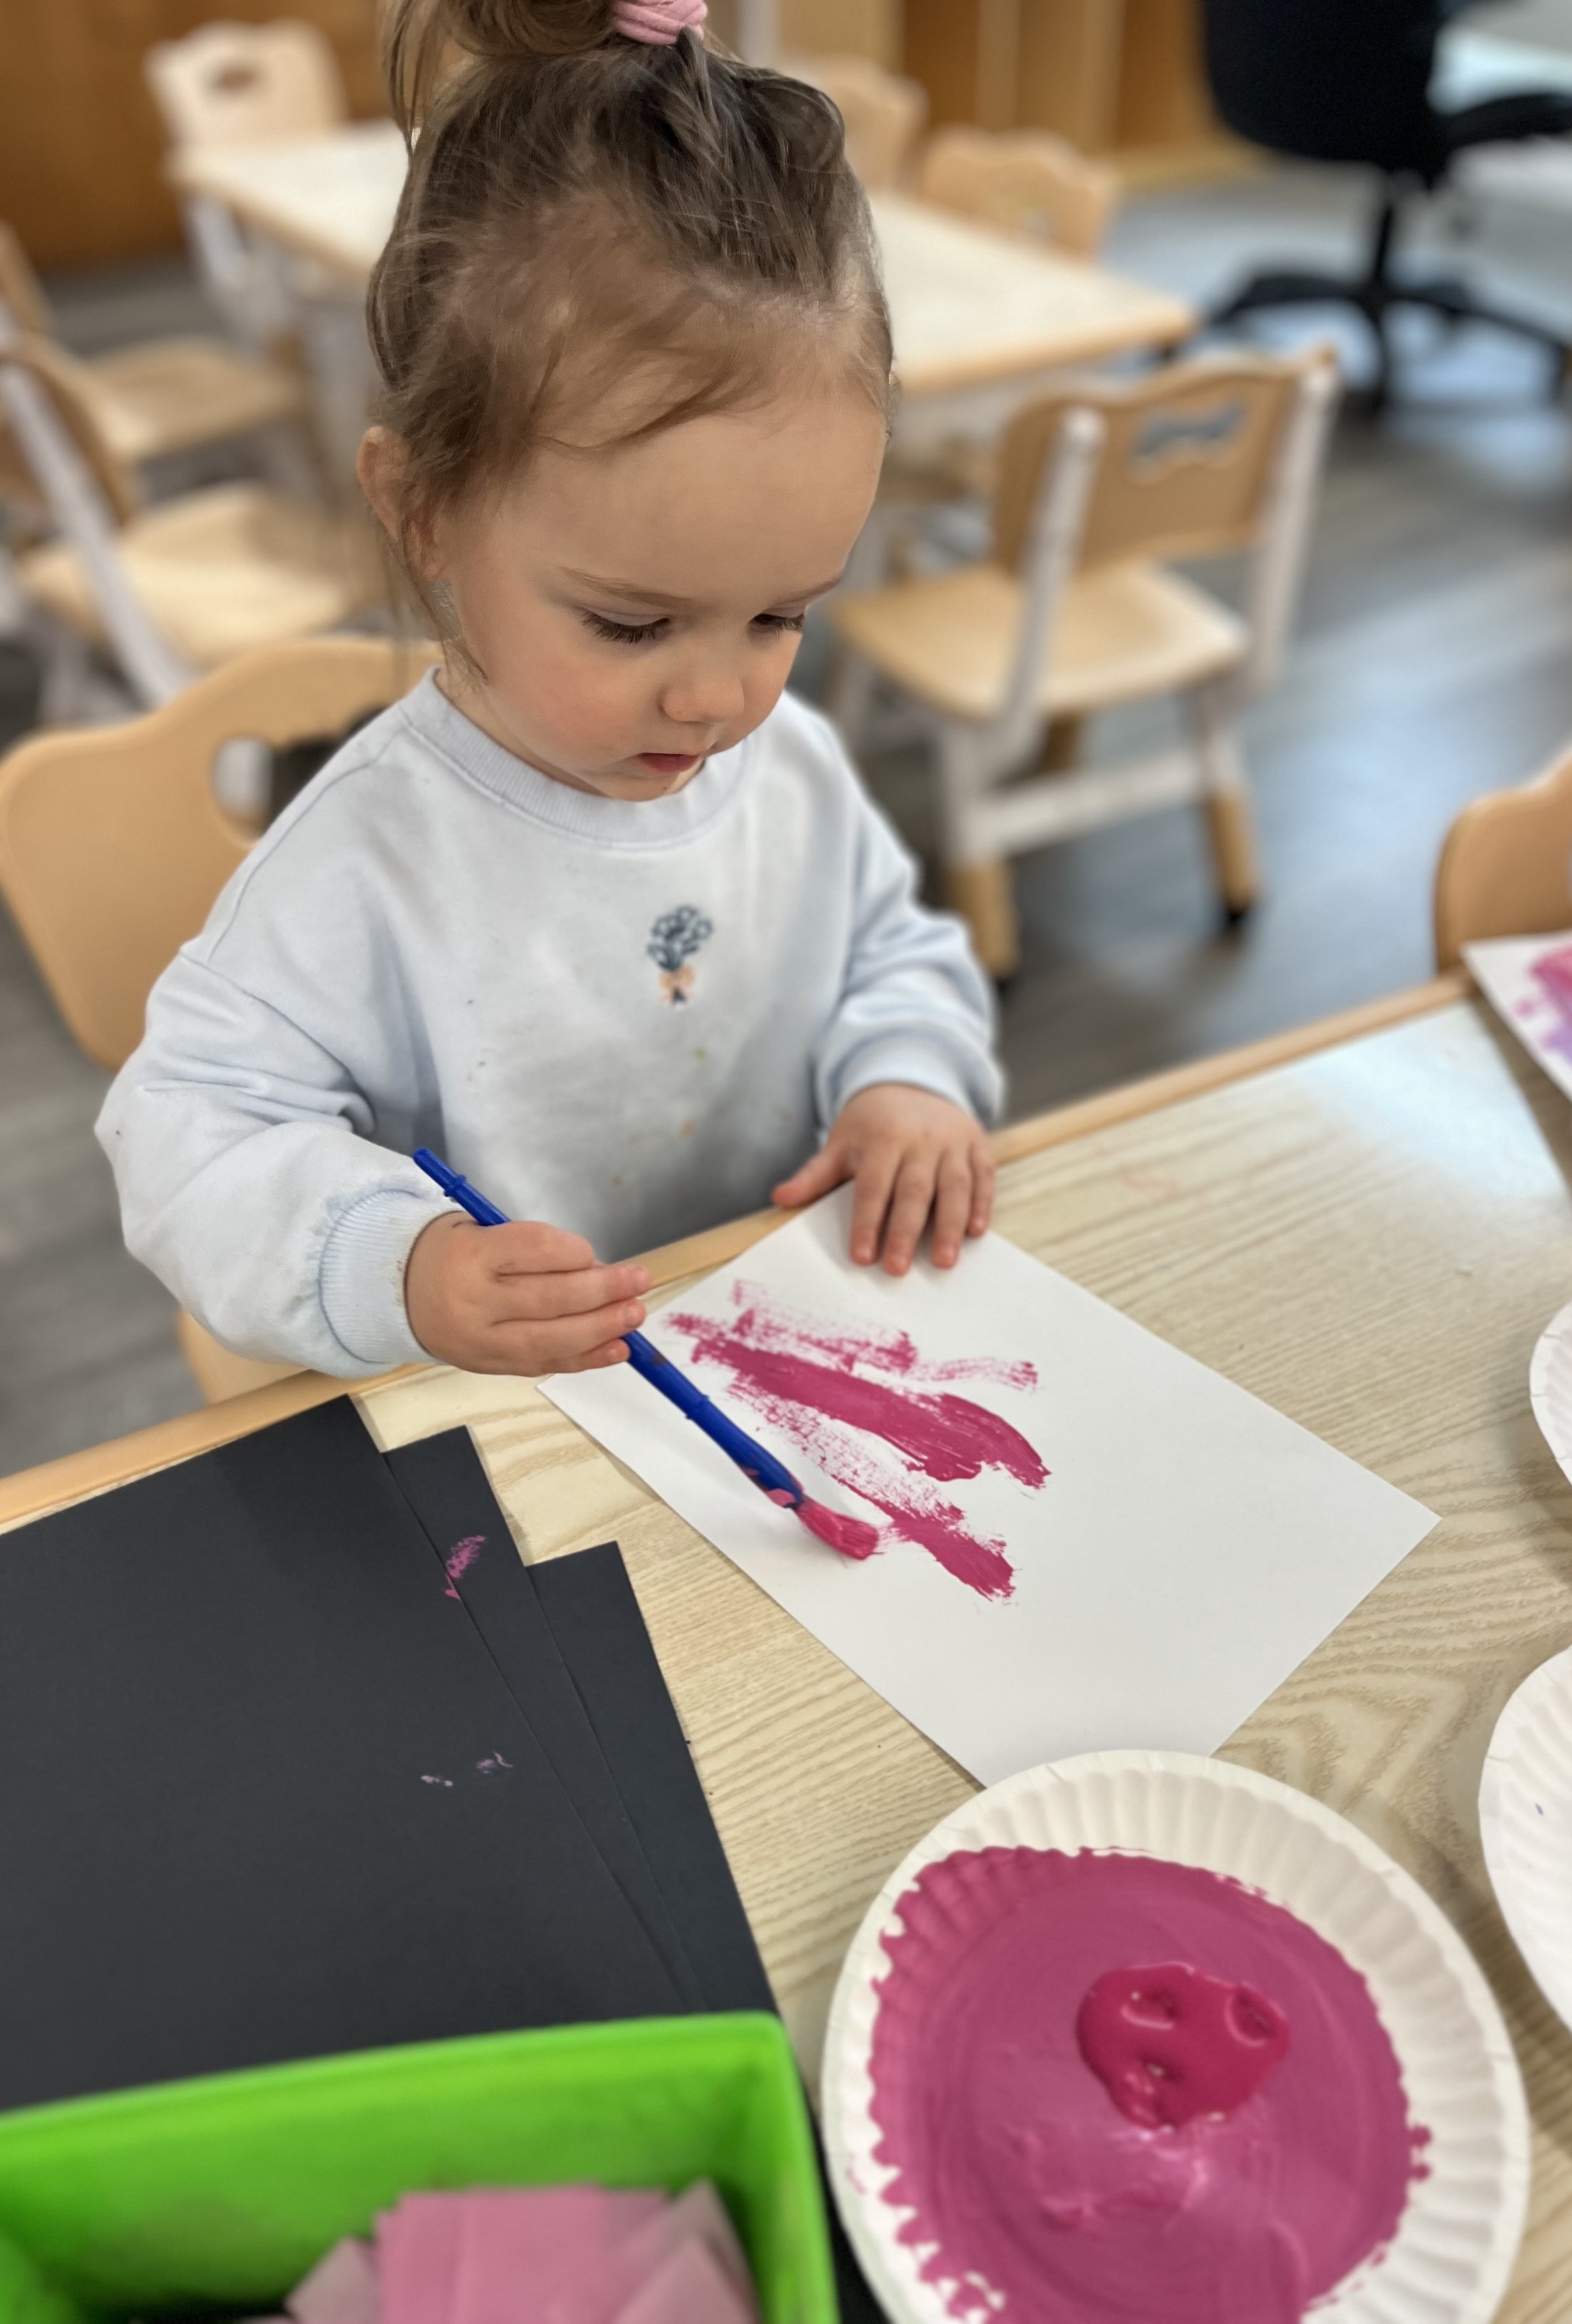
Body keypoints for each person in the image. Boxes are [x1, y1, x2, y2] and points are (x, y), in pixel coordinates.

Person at [98, 0, 1000, 1383]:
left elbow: (893, 951)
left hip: (776, 1355)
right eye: (631, 623)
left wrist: (907, 1080)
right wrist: (395, 1265)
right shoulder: (366, 859)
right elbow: (183, 1133)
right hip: (506, 1410)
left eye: (780, 615)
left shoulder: (792, 771)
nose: (715, 698)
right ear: (424, 512)